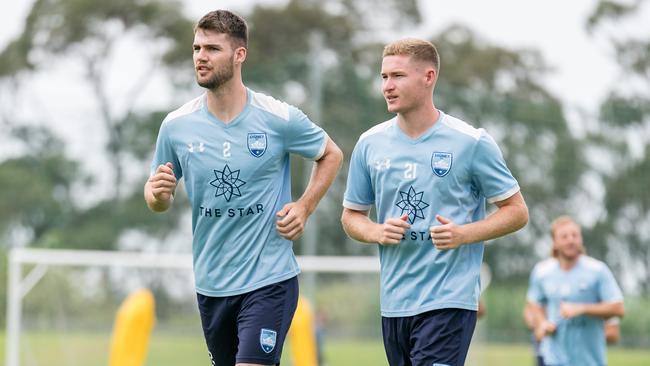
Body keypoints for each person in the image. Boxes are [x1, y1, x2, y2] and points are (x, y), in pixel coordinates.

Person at [144, 10, 343, 366]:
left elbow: (330, 154)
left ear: (239, 55)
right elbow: (158, 197)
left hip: (269, 280)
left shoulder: (278, 118)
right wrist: (158, 195)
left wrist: (304, 206)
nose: (201, 57)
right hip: (211, 284)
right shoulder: (176, 126)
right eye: (196, 48)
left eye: (212, 49)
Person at [340, 38, 528, 366]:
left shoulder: (472, 143)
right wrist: (377, 232)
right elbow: (352, 216)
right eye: (384, 77)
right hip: (395, 303)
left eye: (397, 76)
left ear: (428, 77)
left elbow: (517, 212)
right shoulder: (369, 144)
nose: (387, 86)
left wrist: (464, 234)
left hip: (448, 300)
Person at [526, 216, 625, 366]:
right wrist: (542, 323)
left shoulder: (598, 270)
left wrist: (582, 308)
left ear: (581, 239)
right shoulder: (542, 272)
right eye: (564, 236)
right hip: (552, 359)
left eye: (575, 235)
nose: (570, 240)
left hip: (589, 361)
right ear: (555, 242)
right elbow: (534, 304)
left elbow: (618, 308)